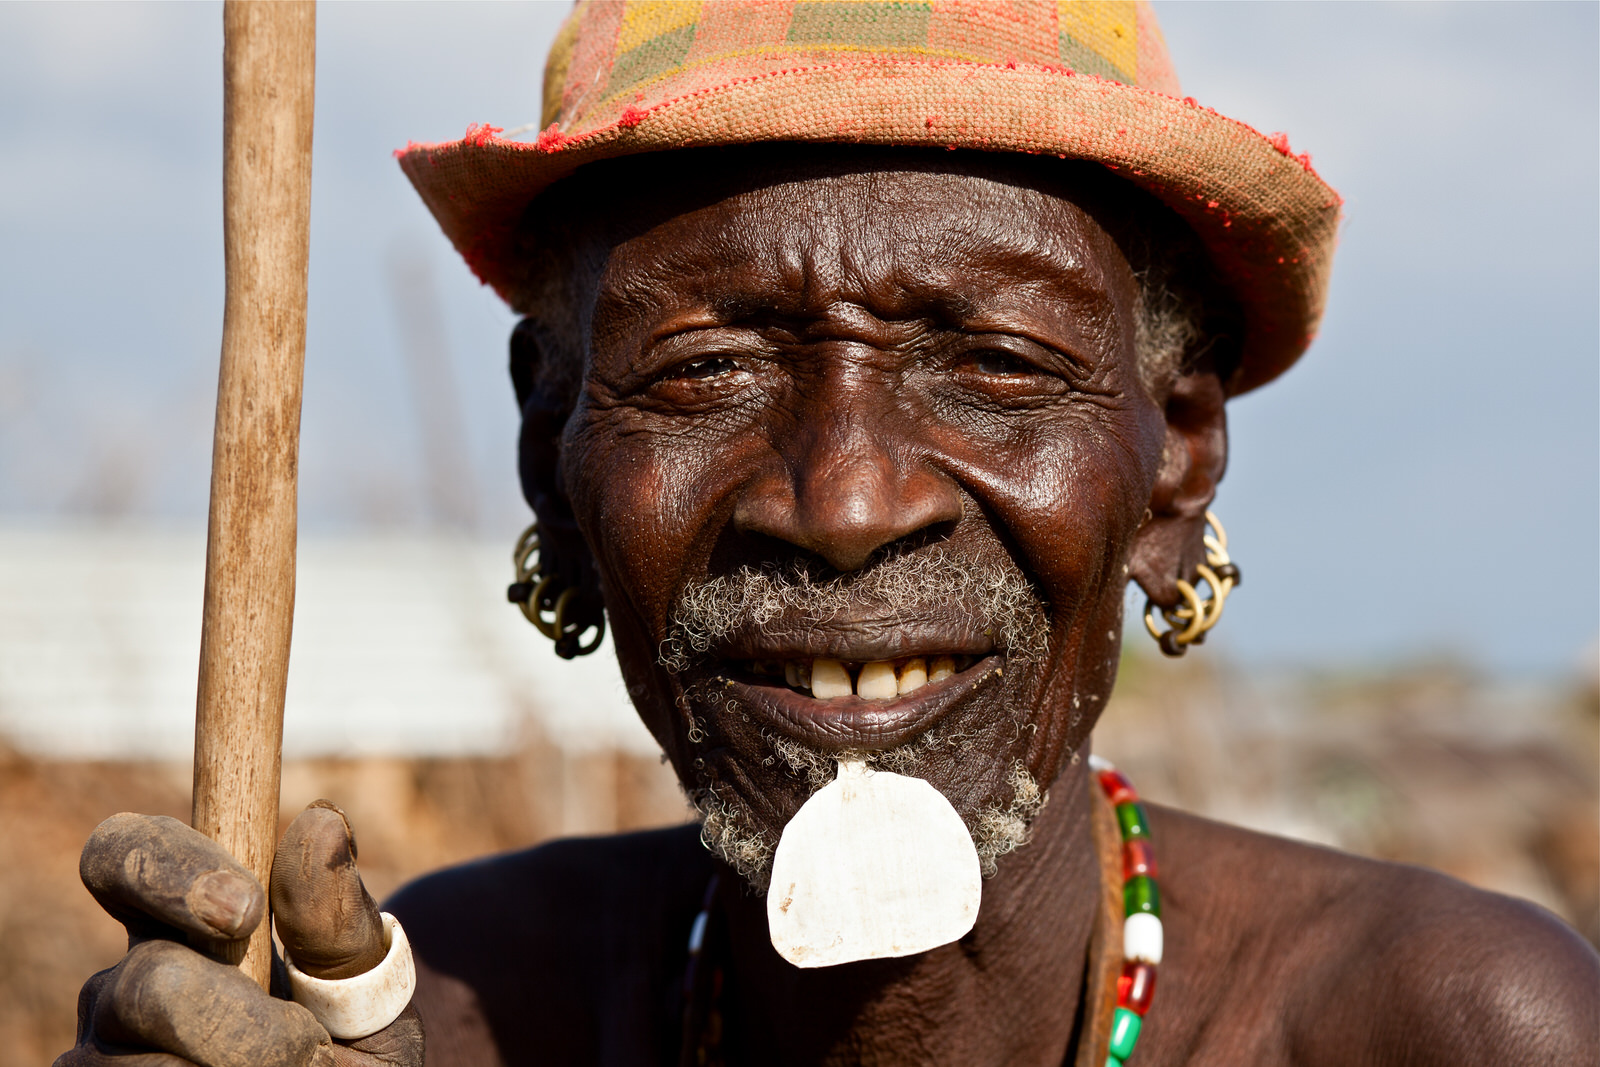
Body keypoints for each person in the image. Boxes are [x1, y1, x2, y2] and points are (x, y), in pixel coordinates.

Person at [56, 4, 1598, 1066]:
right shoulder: (447, 1017)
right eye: (707, 371)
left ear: (1176, 461)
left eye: (995, 365)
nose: (846, 504)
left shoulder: (1444, 1031)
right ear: (552, 458)